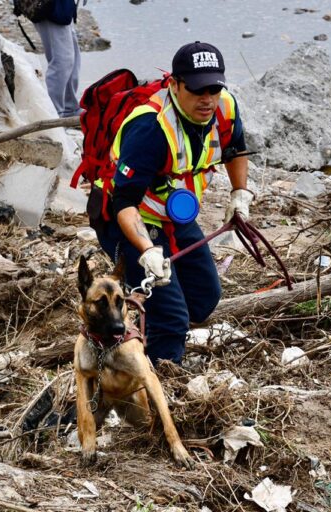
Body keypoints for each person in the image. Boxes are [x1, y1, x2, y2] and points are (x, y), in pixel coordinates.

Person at [94, 41, 251, 365]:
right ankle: (161, 380)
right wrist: (147, 250)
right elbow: (124, 203)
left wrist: (240, 195)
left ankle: (149, 331)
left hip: (174, 216)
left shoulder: (224, 108)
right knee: (172, 317)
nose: (206, 99)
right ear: (175, 84)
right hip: (125, 218)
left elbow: (235, 149)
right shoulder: (150, 128)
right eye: (196, 89)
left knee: (205, 298)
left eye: (213, 88)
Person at [32, 0, 82, 118]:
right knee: (62, 62)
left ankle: (70, 109)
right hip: (52, 6)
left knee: (72, 57)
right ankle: (53, 115)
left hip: (59, 7)